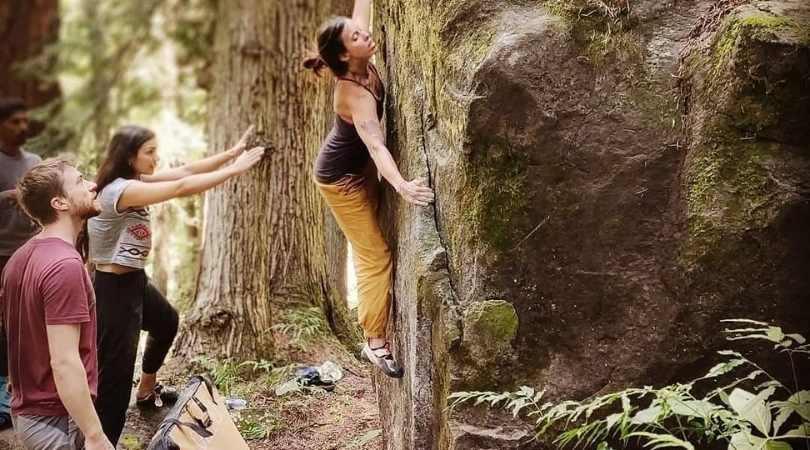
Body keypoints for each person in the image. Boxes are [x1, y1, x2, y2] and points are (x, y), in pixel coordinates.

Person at [86, 124, 263, 445]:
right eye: (150, 152)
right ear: (129, 156)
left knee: (167, 322)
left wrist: (232, 153)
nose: (157, 157)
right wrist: (236, 170)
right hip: (113, 292)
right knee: (114, 383)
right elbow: (181, 185)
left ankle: (146, 389)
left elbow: (187, 170)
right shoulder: (121, 190)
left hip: (135, 281)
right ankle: (102, 442)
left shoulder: (135, 181)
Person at [304, 0, 435, 378]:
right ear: (345, 54)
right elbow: (376, 144)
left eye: (360, 31)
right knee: (375, 254)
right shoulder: (352, 94)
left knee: (378, 241)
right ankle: (374, 341)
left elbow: (362, 9)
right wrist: (403, 186)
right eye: (356, 37)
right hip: (340, 181)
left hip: (358, 167)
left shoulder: (358, 50)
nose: (365, 34)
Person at [1, 158, 114, 449]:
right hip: (56, 418)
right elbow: (64, 362)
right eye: (79, 181)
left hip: (30, 414)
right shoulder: (65, 265)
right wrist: (95, 434)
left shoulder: (18, 259)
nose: (92, 185)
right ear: (59, 203)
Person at [0, 97, 42, 430]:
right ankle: (3, 389)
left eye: (26, 121)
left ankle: (25, 388)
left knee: (25, 320)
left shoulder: (34, 161)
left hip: (27, 252)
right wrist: (7, 196)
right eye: (15, 121)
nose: (22, 127)